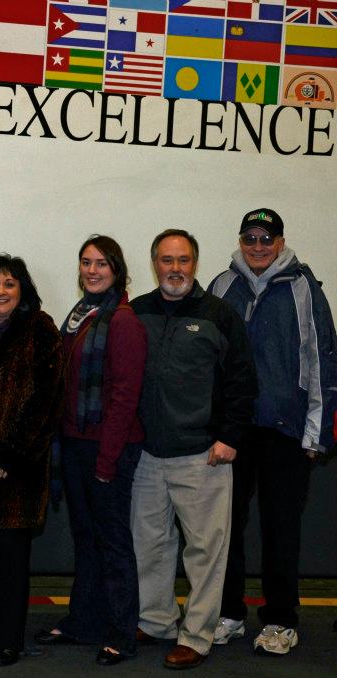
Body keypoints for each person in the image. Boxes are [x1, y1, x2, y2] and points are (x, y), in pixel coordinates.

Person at [208, 208, 337, 656]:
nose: (258, 247)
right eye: (250, 238)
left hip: (285, 431)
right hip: (232, 431)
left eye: (267, 239)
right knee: (225, 528)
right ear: (240, 241)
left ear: (280, 242)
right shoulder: (222, 286)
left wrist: (316, 434)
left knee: (281, 529)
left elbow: (322, 362)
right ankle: (228, 613)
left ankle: (281, 620)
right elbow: (206, 360)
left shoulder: (304, 288)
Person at [130, 229, 257, 670]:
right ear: (155, 264)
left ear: (195, 264)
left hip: (203, 455)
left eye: (183, 260)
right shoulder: (136, 312)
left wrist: (229, 437)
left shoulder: (219, 315)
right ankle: (157, 620)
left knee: (204, 554)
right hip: (147, 455)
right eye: (167, 260)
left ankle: (197, 636)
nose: (175, 269)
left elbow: (243, 381)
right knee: (151, 546)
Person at [34, 236, 147, 666]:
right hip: (77, 444)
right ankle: (84, 621)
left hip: (108, 449)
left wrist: (107, 459)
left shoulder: (123, 321)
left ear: (117, 270)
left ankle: (121, 633)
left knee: (113, 543)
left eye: (101, 263)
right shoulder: (80, 315)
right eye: (86, 262)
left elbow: (125, 396)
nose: (92, 270)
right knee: (86, 539)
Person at [0, 254, 63, 666]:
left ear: (23, 289)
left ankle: (8, 639)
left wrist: (10, 454)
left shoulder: (40, 328)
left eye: (9, 284)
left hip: (17, 466)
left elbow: (45, 400)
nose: (0, 291)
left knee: (10, 555)